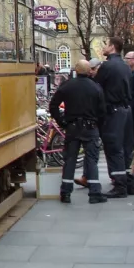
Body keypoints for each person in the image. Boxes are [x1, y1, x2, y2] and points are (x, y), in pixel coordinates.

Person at [48, 60, 108, 204]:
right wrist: (98, 125)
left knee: (70, 160)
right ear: (89, 71)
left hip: (72, 127)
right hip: (90, 127)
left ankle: (66, 193)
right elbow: (102, 111)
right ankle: (94, 193)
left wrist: (62, 121)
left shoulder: (67, 85)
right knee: (91, 160)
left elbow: (53, 105)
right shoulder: (96, 87)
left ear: (75, 70)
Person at [94, 37, 134, 198]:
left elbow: (96, 88)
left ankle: (119, 185)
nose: (103, 47)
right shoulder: (125, 66)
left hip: (113, 111)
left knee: (113, 147)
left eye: (106, 44)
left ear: (112, 47)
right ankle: (125, 180)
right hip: (126, 109)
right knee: (125, 146)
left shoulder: (107, 66)